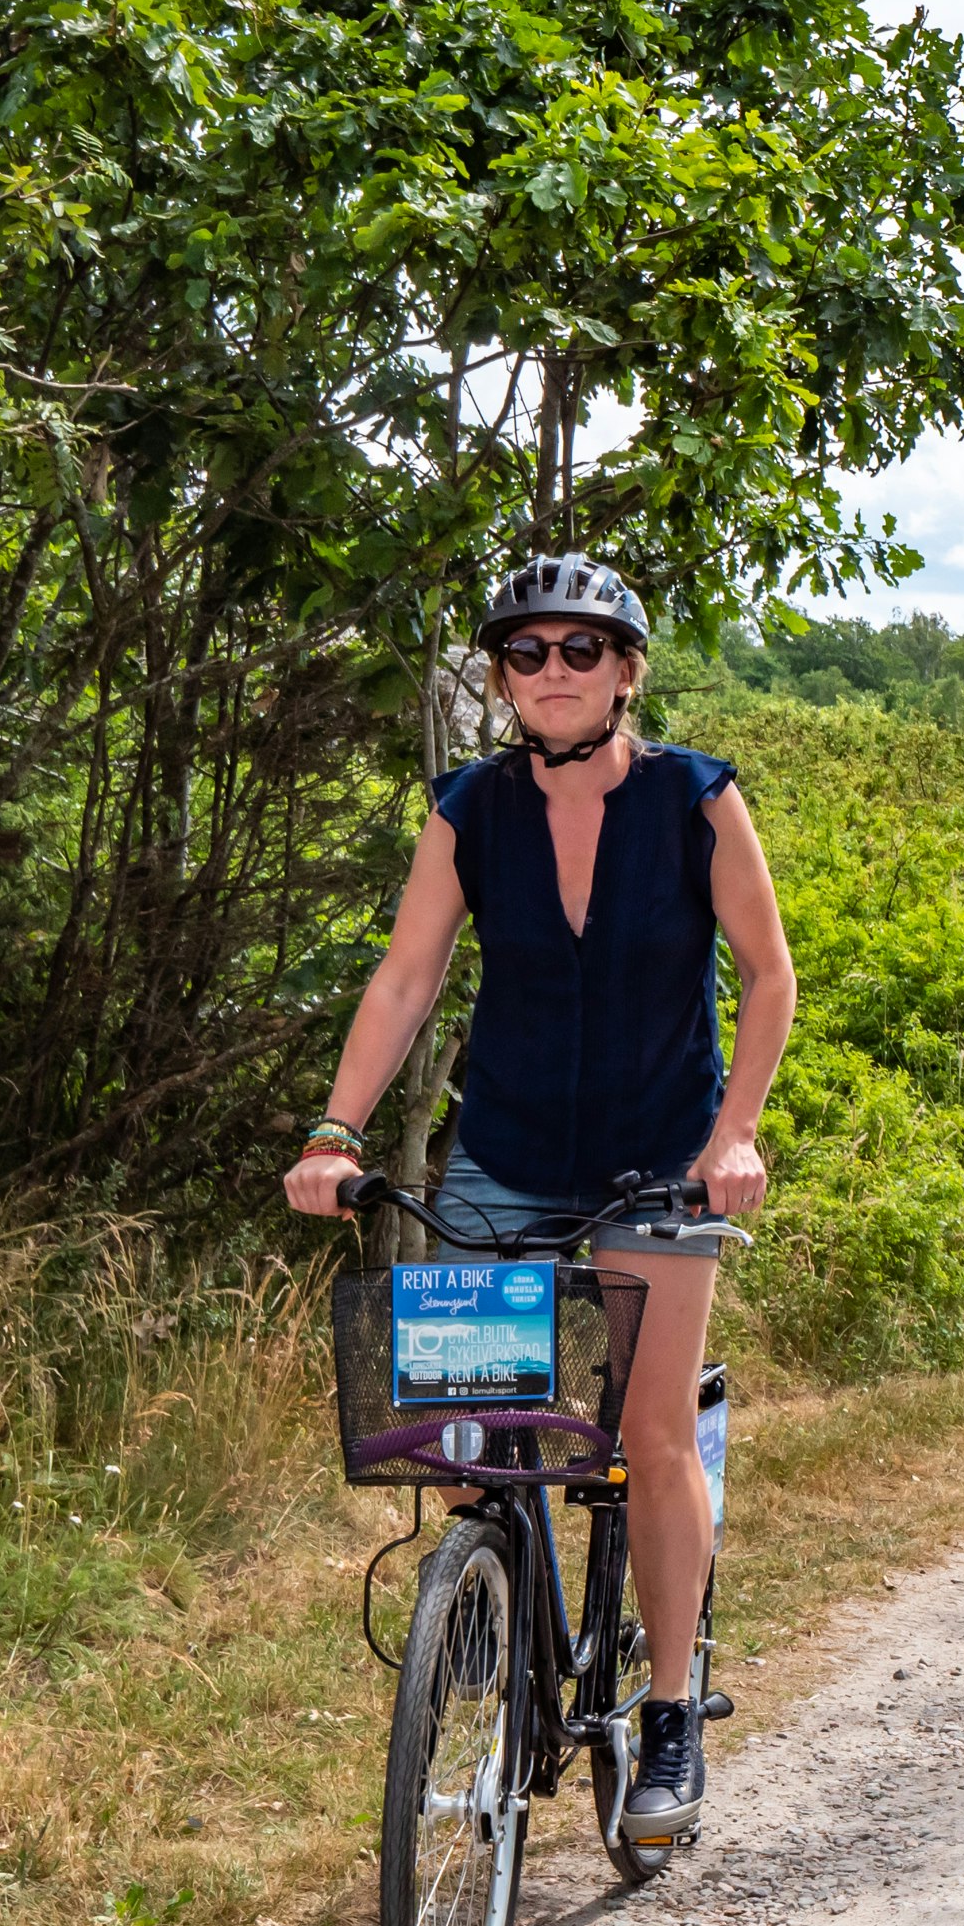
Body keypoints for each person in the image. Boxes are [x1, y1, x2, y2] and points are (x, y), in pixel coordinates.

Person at [283, 553, 797, 1836]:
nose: (552, 673)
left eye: (580, 651)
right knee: (458, 1424)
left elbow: (767, 974)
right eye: (527, 653)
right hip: (505, 1154)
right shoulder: (471, 808)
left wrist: (734, 1137)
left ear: (625, 673)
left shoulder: (695, 799)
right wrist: (335, 1132)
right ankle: (485, 1602)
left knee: (652, 1435)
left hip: (657, 1160)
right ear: (503, 678)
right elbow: (407, 980)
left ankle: (670, 1713)